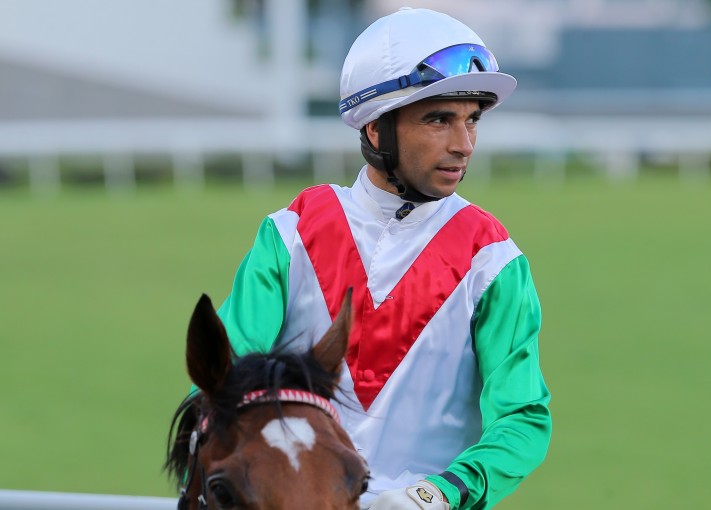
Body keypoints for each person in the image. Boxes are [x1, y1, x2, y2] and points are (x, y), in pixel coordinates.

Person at [216, 7, 551, 509]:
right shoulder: (290, 232)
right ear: (376, 129)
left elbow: (522, 419)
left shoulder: (494, 257)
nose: (464, 145)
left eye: (472, 121)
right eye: (439, 120)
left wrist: (437, 493)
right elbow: (228, 378)